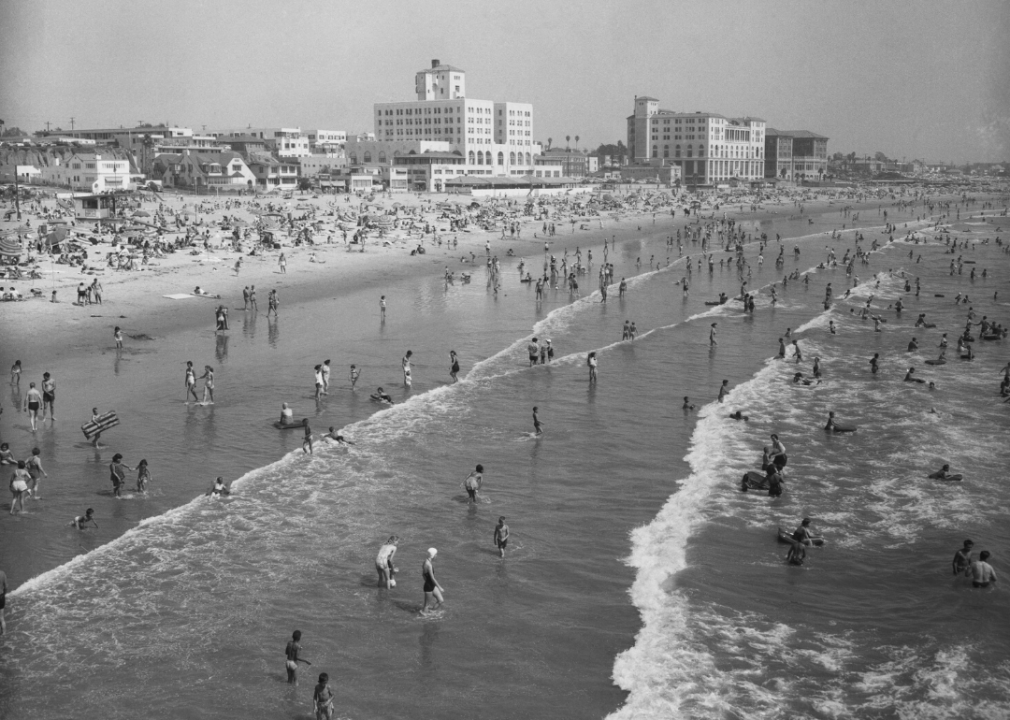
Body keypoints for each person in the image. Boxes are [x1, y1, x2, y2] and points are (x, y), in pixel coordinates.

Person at [421, 548, 444, 614]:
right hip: (428, 587)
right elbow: (432, 578)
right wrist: (440, 587)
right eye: (436, 554)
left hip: (431, 585)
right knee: (426, 606)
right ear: (433, 555)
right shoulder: (429, 565)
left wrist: (427, 581)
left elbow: (423, 574)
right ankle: (424, 617)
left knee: (440, 600)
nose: (436, 556)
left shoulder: (425, 562)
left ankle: (432, 612)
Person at [0, 567, 6, 635]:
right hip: (1, 596)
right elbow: (6, 586)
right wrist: (4, 594)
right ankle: (4, 634)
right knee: (2, 617)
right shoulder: (2, 573)